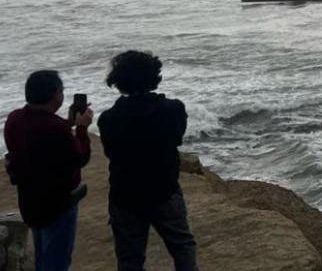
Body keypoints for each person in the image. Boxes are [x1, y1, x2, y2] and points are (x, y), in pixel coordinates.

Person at [98, 51, 198, 271]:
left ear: (118, 81)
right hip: (164, 189)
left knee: (130, 258)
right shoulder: (173, 109)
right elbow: (177, 138)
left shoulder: (108, 118)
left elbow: (110, 153)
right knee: (182, 246)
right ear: (154, 76)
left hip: (125, 194)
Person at [3, 69, 93, 271]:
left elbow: (42, 139)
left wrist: (69, 122)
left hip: (30, 200)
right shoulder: (54, 128)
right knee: (56, 261)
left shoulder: (15, 119)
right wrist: (81, 129)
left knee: (42, 254)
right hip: (57, 203)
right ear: (55, 95)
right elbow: (80, 157)